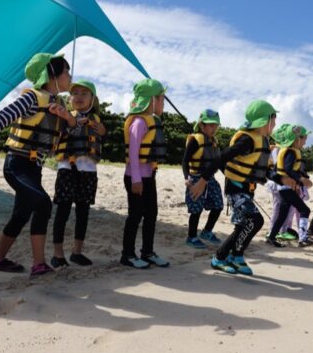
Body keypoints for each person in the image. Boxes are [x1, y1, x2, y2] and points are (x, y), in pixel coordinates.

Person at [0, 53, 77, 277]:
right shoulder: (32, 98)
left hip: (34, 167)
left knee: (21, 214)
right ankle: (39, 264)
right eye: (66, 71)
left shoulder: (59, 104)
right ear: (52, 75)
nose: (70, 75)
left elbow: (70, 133)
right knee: (43, 204)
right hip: (17, 164)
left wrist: (69, 119)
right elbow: (2, 117)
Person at [189, 100, 280, 275]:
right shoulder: (247, 140)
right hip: (235, 188)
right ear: (264, 121)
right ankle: (219, 257)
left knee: (242, 225)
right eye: (273, 121)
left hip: (247, 189)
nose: (274, 125)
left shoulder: (262, 141)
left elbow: (268, 171)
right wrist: (203, 180)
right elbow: (221, 158)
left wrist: (285, 180)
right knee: (255, 220)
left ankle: (235, 256)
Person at [51, 80, 106, 268]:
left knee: (83, 213)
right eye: (75, 93)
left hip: (88, 171)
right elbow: (65, 131)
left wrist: (101, 129)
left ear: (93, 99)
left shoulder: (97, 120)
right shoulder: (64, 117)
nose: (79, 97)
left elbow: (101, 133)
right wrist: (70, 120)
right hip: (67, 169)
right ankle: (57, 254)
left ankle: (77, 252)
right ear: (69, 98)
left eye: (84, 93)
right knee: (63, 212)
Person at [120, 78, 170, 268]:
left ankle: (147, 252)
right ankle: (127, 254)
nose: (163, 104)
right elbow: (133, 152)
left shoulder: (152, 121)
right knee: (135, 215)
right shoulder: (139, 122)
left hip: (149, 177)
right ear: (151, 100)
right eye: (161, 100)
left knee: (151, 214)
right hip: (136, 178)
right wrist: (136, 178)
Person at [182, 109, 224, 249]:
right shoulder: (195, 140)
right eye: (211, 125)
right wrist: (186, 177)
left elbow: (219, 162)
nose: (214, 128)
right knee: (196, 209)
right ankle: (191, 237)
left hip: (210, 178)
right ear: (202, 125)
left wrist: (229, 175)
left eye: (216, 125)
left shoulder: (214, 141)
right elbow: (185, 161)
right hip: (195, 178)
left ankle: (206, 232)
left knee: (218, 205)